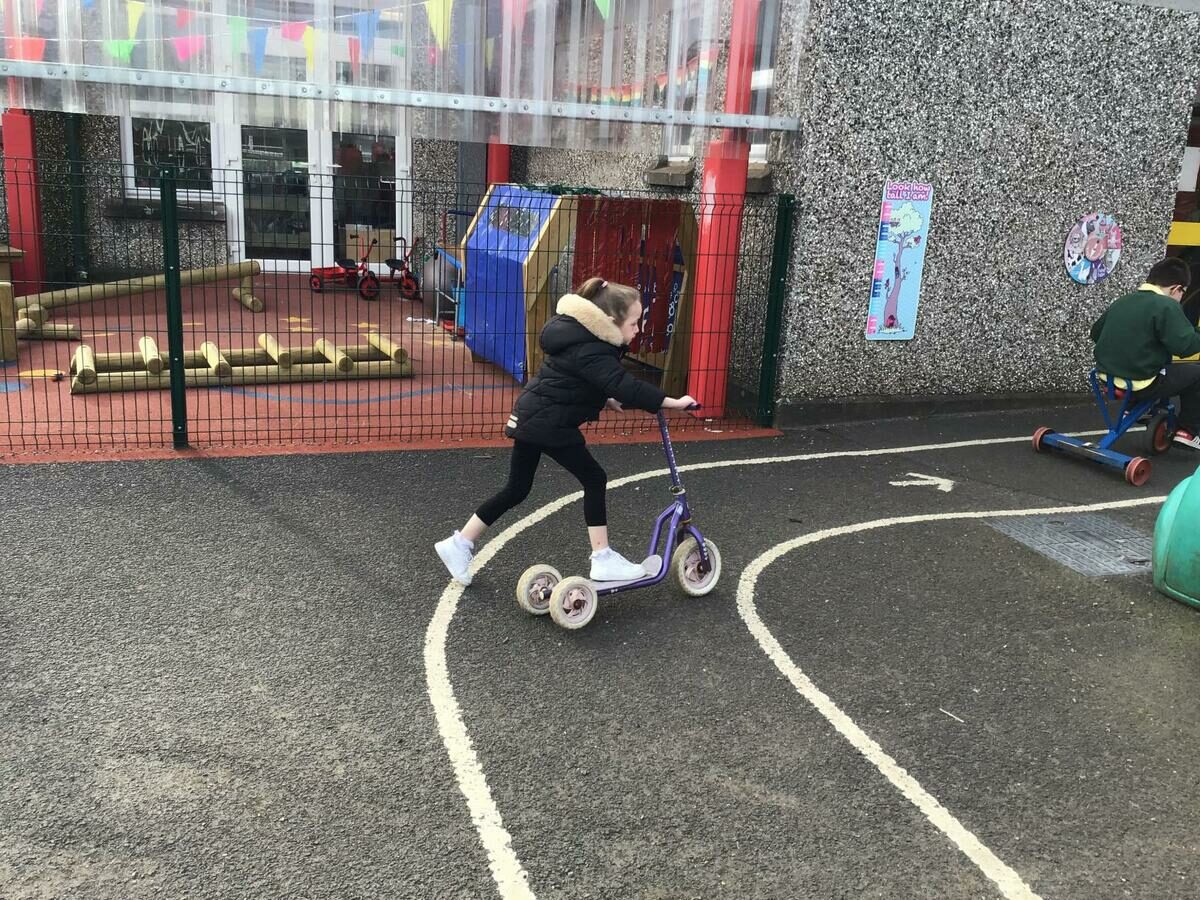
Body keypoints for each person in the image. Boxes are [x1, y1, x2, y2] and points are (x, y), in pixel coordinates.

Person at [435, 278, 697, 586]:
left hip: (532, 417)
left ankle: (459, 543)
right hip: (550, 423)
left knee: (517, 489)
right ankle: (602, 559)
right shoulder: (594, 348)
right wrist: (672, 402)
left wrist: (605, 397)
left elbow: (576, 377)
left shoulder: (578, 335)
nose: (638, 329)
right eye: (633, 323)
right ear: (610, 321)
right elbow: (623, 384)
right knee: (594, 478)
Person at [1091, 256, 1200, 449]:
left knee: (1153, 360)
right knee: (1195, 374)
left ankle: (1132, 407)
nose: (1181, 297)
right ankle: (1187, 431)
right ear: (1175, 288)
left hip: (1106, 378)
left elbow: (1095, 333)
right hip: (1141, 382)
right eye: (1183, 292)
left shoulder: (1124, 300)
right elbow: (1185, 347)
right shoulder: (1167, 305)